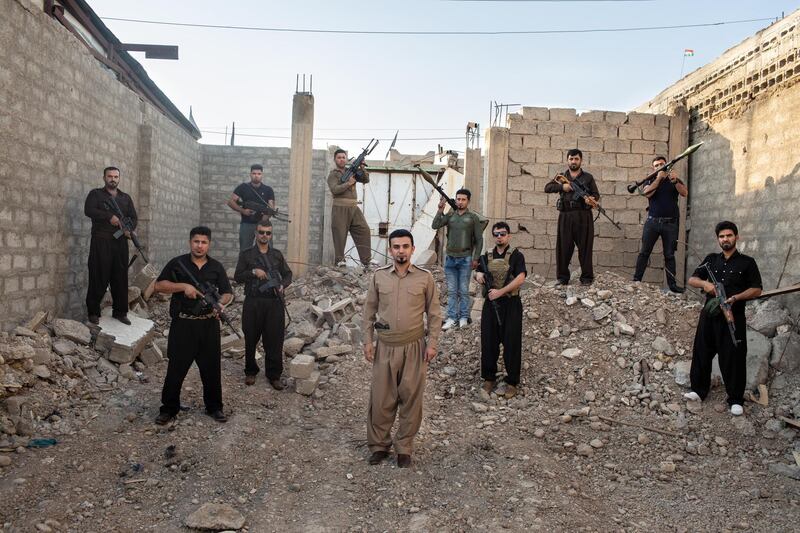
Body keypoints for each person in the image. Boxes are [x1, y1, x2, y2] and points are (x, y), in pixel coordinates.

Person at [361, 229, 442, 468]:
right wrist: (368, 341)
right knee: (381, 398)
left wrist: (433, 344)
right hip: (385, 346)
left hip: (414, 347)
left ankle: (404, 447)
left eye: (405, 246)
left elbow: (435, 314)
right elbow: (368, 312)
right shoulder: (379, 277)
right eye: (396, 247)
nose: (401, 251)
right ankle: (379, 446)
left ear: (413, 249)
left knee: (411, 399)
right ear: (390, 250)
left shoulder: (424, 278)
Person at [154, 226, 233, 425]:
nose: (200, 246)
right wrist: (183, 286)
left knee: (212, 369)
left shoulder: (216, 267)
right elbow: (159, 285)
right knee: (176, 369)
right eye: (196, 241)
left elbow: (227, 292)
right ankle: (169, 409)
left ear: (209, 244)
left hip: (208, 325)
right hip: (183, 324)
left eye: (204, 242)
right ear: (190, 242)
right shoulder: (178, 263)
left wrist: (221, 304)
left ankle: (214, 407)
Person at [684, 221, 762, 416]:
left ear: (737, 237)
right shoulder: (711, 260)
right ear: (718, 239)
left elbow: (757, 289)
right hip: (710, 315)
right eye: (722, 236)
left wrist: (736, 297)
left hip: (733, 315)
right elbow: (692, 280)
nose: (725, 239)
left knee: (734, 356)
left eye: (729, 235)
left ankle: (735, 399)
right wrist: (705, 285)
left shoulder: (747, 262)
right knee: (702, 351)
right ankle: (698, 391)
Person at [234, 221, 293, 389]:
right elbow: (238, 276)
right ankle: (251, 371)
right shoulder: (246, 255)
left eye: (268, 233)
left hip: (274, 302)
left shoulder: (276, 255)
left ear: (271, 235)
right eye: (261, 232)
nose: (264, 236)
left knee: (274, 339)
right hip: (253, 302)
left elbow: (288, 274)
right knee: (251, 337)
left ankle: (274, 375)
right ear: (255, 233)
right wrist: (253, 272)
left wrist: (283, 284)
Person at [475, 222, 527, 399]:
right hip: (491, 304)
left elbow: (520, 278)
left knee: (512, 342)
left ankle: (512, 382)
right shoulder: (487, 255)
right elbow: (478, 272)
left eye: (503, 234)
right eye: (496, 234)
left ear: (509, 236)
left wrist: (500, 292)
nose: (499, 237)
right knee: (489, 341)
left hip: (510, 303)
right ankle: (489, 378)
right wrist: (479, 275)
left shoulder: (516, 255)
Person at [84, 166, 137, 325]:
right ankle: (93, 312)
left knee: (120, 277)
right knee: (98, 276)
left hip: (120, 242)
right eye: (110, 176)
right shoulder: (96, 194)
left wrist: (129, 229)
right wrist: (109, 217)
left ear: (119, 178)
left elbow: (133, 218)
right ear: (104, 177)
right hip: (101, 241)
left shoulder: (126, 198)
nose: (113, 179)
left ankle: (120, 312)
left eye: (115, 176)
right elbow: (89, 210)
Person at [543, 148, 600, 285]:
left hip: (583, 216)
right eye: (571, 159)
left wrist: (590, 200)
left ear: (581, 160)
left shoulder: (588, 178)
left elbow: (596, 195)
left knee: (585, 248)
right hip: (566, 215)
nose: (573, 161)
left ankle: (586, 278)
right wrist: (563, 188)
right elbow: (547, 188)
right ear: (567, 160)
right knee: (563, 248)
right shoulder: (562, 176)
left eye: (576, 159)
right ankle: (562, 278)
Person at [632, 156, 689, 293]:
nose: (659, 167)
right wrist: (659, 178)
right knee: (644, 252)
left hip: (670, 223)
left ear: (667, 165)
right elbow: (646, 194)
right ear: (653, 168)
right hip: (652, 222)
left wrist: (675, 180)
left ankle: (672, 286)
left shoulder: (673, 179)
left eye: (662, 164)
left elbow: (684, 193)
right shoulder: (650, 179)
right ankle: (636, 280)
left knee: (669, 255)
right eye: (656, 165)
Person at [431, 188, 484, 330]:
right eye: (458, 199)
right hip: (450, 259)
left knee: (464, 290)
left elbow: (479, 240)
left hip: (465, 259)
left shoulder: (472, 218)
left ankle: (464, 317)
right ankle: (452, 318)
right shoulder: (450, 215)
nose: (460, 202)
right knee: (452, 291)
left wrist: (476, 258)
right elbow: (435, 225)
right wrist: (440, 210)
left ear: (468, 201)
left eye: (463, 199)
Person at [327, 149, 372, 267]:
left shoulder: (351, 171)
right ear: (335, 160)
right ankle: (340, 261)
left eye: (343, 157)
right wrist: (348, 183)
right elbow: (335, 190)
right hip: (340, 208)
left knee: (364, 230)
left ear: (346, 159)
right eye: (339, 157)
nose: (341, 159)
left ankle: (366, 260)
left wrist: (362, 167)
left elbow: (366, 180)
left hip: (353, 207)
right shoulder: (333, 174)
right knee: (340, 235)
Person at [227, 164, 276, 252]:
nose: (256, 176)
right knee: (245, 250)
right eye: (254, 173)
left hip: (263, 225)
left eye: (259, 174)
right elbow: (230, 202)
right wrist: (243, 211)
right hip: (247, 223)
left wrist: (265, 219)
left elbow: (271, 207)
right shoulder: (243, 187)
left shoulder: (268, 189)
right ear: (250, 174)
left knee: (268, 250)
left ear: (262, 175)